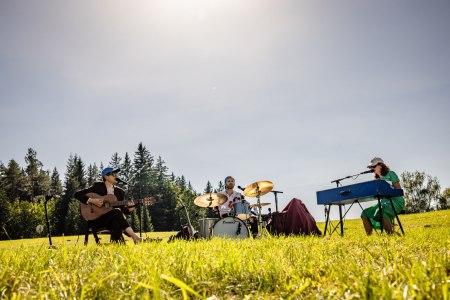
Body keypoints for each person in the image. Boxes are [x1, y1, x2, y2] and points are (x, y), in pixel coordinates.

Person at [74, 167, 143, 243]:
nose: (116, 176)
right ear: (106, 177)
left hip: (111, 220)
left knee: (116, 220)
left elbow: (123, 210)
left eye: (116, 174)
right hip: (96, 220)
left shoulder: (120, 192)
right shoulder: (97, 187)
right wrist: (92, 201)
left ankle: (116, 245)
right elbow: (77, 194)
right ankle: (133, 237)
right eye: (113, 174)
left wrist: (131, 207)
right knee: (116, 212)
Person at [361, 157, 405, 235]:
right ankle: (369, 237)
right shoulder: (376, 180)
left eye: (373, 166)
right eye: (371, 167)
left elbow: (398, 189)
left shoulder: (391, 173)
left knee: (382, 212)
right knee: (365, 213)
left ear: (380, 165)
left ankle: (391, 235)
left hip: (396, 200)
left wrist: (388, 189)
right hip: (383, 202)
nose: (372, 168)